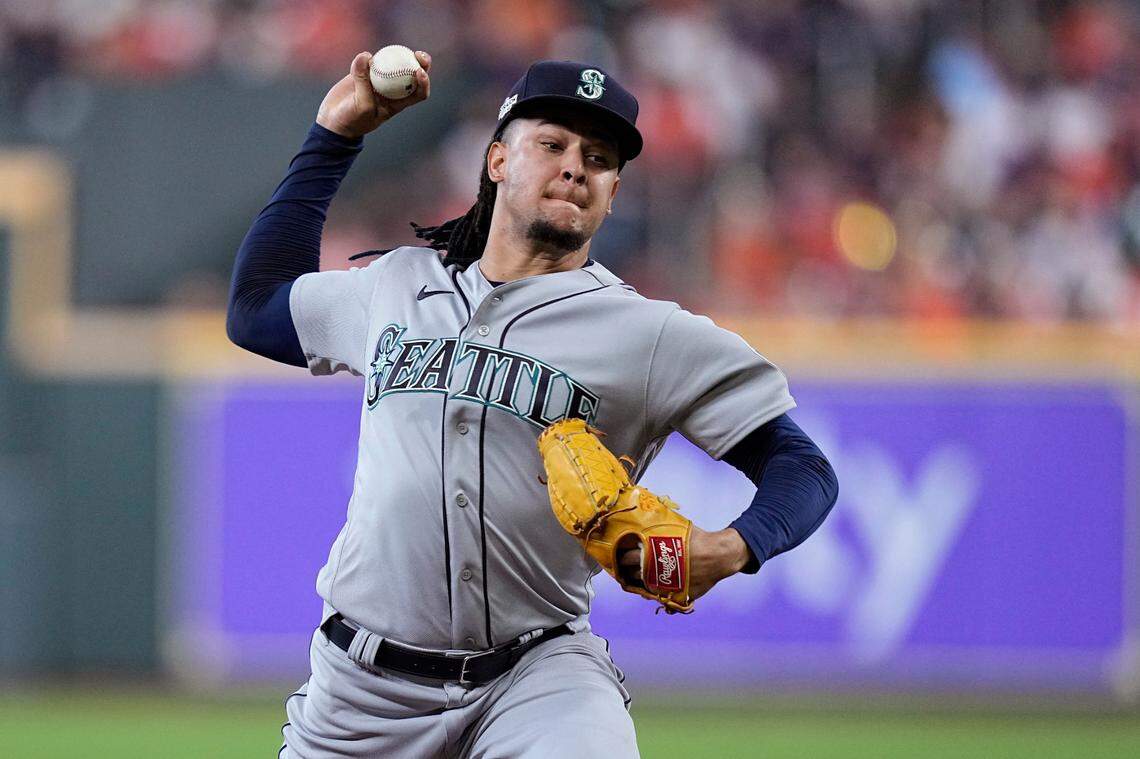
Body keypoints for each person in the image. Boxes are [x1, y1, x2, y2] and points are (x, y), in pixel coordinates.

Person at [227, 49, 838, 759]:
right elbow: (254, 308)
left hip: (537, 678)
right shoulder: (394, 286)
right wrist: (334, 136)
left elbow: (803, 467)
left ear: (612, 194)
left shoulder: (649, 335)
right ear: (497, 160)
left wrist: (730, 548)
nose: (576, 167)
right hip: (362, 691)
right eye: (552, 144)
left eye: (599, 159)